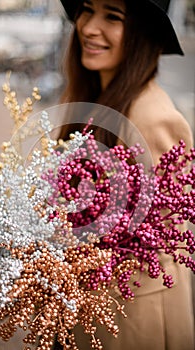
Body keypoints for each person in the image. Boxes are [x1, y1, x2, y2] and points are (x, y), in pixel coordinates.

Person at [54, 0, 194, 349]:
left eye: (113, 16)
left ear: (144, 34)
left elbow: (164, 241)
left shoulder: (152, 117)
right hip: (87, 306)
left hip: (129, 317)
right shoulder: (91, 96)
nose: (88, 27)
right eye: (87, 9)